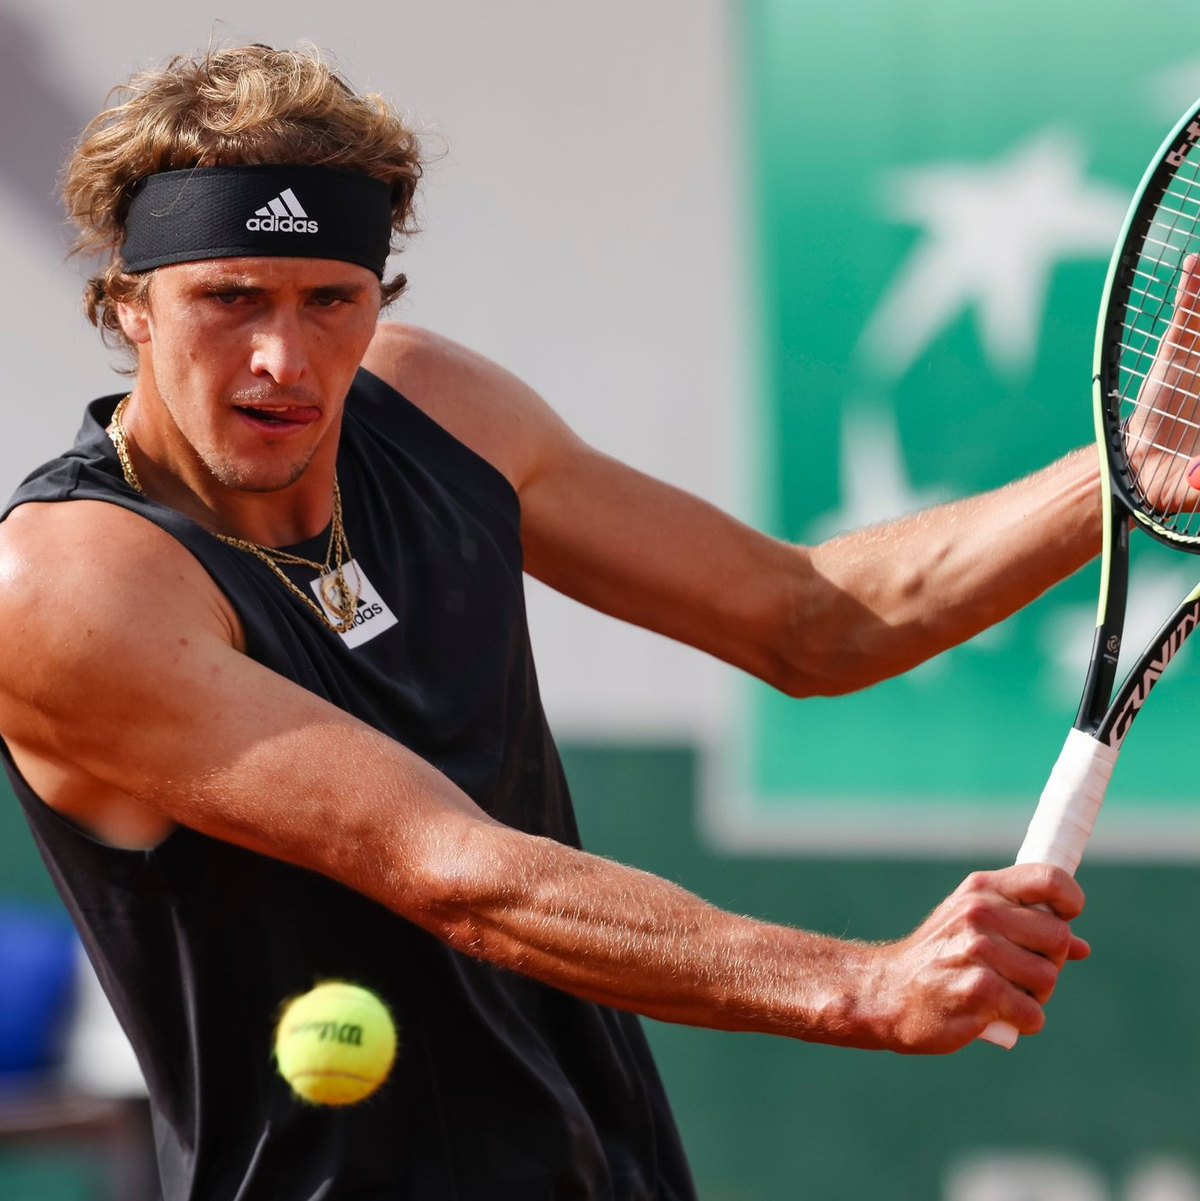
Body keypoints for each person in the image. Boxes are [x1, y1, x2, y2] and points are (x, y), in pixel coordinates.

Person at [0, 44, 1110, 1201]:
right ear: (130, 300)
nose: (285, 358)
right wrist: (864, 983)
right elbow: (452, 869)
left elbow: (809, 619)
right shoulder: (69, 581)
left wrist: (1119, 472)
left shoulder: (438, 410)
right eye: (229, 298)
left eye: (332, 300)